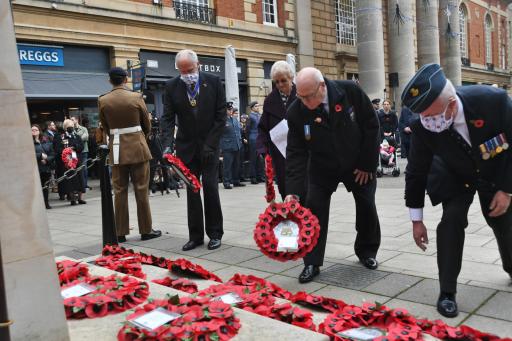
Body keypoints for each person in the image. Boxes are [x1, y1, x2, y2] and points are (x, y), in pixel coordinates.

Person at [402, 63, 512, 318]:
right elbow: (416, 172)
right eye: (423, 117)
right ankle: (447, 292)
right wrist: (416, 221)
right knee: (451, 222)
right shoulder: (423, 126)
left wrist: (506, 190)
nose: (428, 122)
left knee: (503, 222)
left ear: (451, 105)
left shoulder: (492, 101)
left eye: (432, 115)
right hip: (454, 173)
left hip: (494, 171)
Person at [285, 67, 382, 283]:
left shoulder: (349, 92)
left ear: (322, 86)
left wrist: (367, 164)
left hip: (357, 163)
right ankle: (312, 262)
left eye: (309, 96)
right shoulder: (296, 111)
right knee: (314, 208)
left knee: (367, 204)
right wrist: (292, 191)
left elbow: (371, 126)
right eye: (300, 96)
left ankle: (367, 251)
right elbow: (295, 152)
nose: (305, 102)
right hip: (322, 167)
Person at [161, 49, 226, 251]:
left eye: (189, 69)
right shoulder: (172, 87)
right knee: (192, 190)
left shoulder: (214, 82)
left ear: (197, 65)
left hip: (210, 146)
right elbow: (168, 118)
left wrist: (210, 144)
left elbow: (221, 116)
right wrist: (166, 146)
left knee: (210, 187)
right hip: (186, 147)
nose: (187, 74)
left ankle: (215, 233)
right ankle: (195, 236)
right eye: (182, 71)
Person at [99, 66, 161, 242]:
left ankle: (120, 232)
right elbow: (146, 125)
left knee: (119, 191)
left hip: (117, 148)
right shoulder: (136, 97)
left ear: (110, 80)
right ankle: (146, 230)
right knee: (141, 190)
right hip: (138, 147)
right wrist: (140, 138)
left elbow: (105, 126)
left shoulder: (103, 100)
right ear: (126, 79)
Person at [257, 60, 297, 200]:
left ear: (291, 77)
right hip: (280, 154)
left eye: (283, 81)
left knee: (303, 192)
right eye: (277, 82)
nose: (280, 85)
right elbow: (263, 128)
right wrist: (263, 148)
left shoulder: (302, 94)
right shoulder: (270, 100)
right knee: (285, 191)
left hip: (300, 154)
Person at [53, 119, 86, 205]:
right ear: (65, 127)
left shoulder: (76, 136)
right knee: (71, 180)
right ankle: (72, 199)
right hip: (68, 162)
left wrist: (75, 147)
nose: (70, 128)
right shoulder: (60, 136)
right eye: (68, 126)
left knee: (80, 179)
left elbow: (81, 146)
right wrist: (67, 151)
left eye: (72, 126)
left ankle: (80, 198)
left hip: (77, 160)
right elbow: (57, 148)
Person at [220, 102, 245, 189]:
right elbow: (219, 134)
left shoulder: (234, 119)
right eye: (229, 109)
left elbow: (238, 132)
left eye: (231, 109)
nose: (231, 111)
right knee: (227, 166)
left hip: (237, 145)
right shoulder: (222, 120)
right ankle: (226, 182)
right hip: (227, 146)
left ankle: (236, 181)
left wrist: (240, 142)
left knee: (236, 165)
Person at [32, 124, 55, 209]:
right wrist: (40, 155)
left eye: (36, 130)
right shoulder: (28, 142)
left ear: (39, 131)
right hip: (35, 169)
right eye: (32, 130)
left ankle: (46, 203)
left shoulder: (46, 141)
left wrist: (47, 160)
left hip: (45, 168)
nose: (34, 131)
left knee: (45, 187)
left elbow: (52, 154)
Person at [71, 116, 90, 190]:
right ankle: (78, 185)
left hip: (84, 151)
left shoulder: (83, 128)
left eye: (72, 119)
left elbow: (86, 137)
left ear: (76, 120)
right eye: (71, 120)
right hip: (74, 152)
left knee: (84, 168)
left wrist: (76, 140)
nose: (71, 121)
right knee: (75, 168)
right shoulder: (71, 130)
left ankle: (85, 184)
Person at [247, 101, 264, 184]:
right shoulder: (250, 117)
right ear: (252, 108)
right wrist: (249, 139)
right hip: (253, 139)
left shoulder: (259, 115)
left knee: (259, 159)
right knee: (253, 159)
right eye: (256, 106)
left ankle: (259, 176)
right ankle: (253, 177)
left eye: (258, 106)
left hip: (260, 139)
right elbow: (248, 129)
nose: (258, 107)